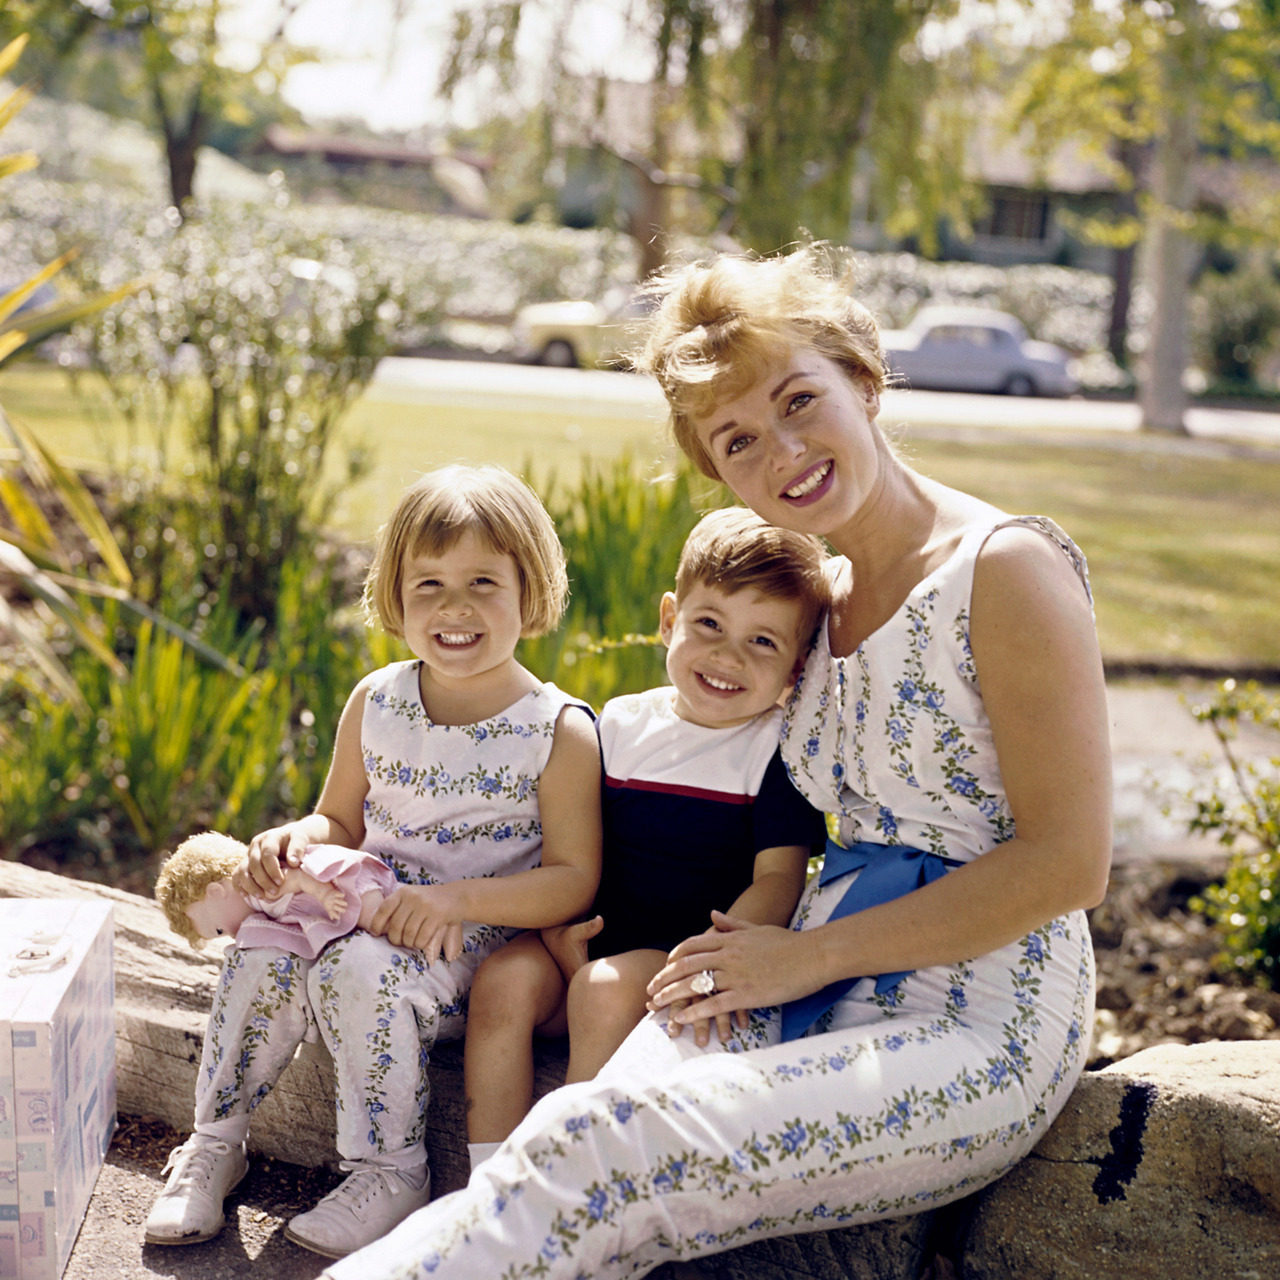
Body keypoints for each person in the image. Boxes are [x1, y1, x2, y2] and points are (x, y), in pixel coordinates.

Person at [316, 245, 1111, 1280]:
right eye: (739, 440)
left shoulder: (1003, 567)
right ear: (719, 473)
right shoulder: (811, 604)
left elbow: (1067, 864)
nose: (780, 451)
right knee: (582, 1124)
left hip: (975, 1018)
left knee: (605, 1148)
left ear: (863, 381)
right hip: (793, 967)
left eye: (798, 401)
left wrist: (806, 956)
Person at [143, 464, 601, 1259]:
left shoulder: (555, 730)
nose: (454, 609)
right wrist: (297, 836)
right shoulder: (378, 699)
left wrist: (456, 903)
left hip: (461, 949)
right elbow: (341, 818)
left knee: (358, 970)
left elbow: (572, 879)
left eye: (483, 582)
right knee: (259, 949)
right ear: (394, 595)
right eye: (428, 584)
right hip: (351, 916)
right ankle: (216, 1141)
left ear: (531, 592)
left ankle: (392, 1169)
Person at [463, 507, 829, 1163]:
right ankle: (485, 1181)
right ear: (668, 621)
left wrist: (711, 964)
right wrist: (553, 933)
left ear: (798, 667)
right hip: (576, 944)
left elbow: (779, 880)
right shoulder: (618, 726)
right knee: (501, 982)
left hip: (672, 966)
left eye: (763, 643)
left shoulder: (773, 753)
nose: (727, 656)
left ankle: (565, 1179)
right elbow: (568, 844)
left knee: (602, 990)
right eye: (709, 625)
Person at [155, 830, 399, 958]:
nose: (229, 935)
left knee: (383, 920)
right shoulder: (258, 905)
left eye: (219, 929)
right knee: (386, 925)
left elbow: (300, 878)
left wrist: (324, 894)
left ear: (217, 892)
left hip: (346, 889)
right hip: (343, 903)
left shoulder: (260, 887)